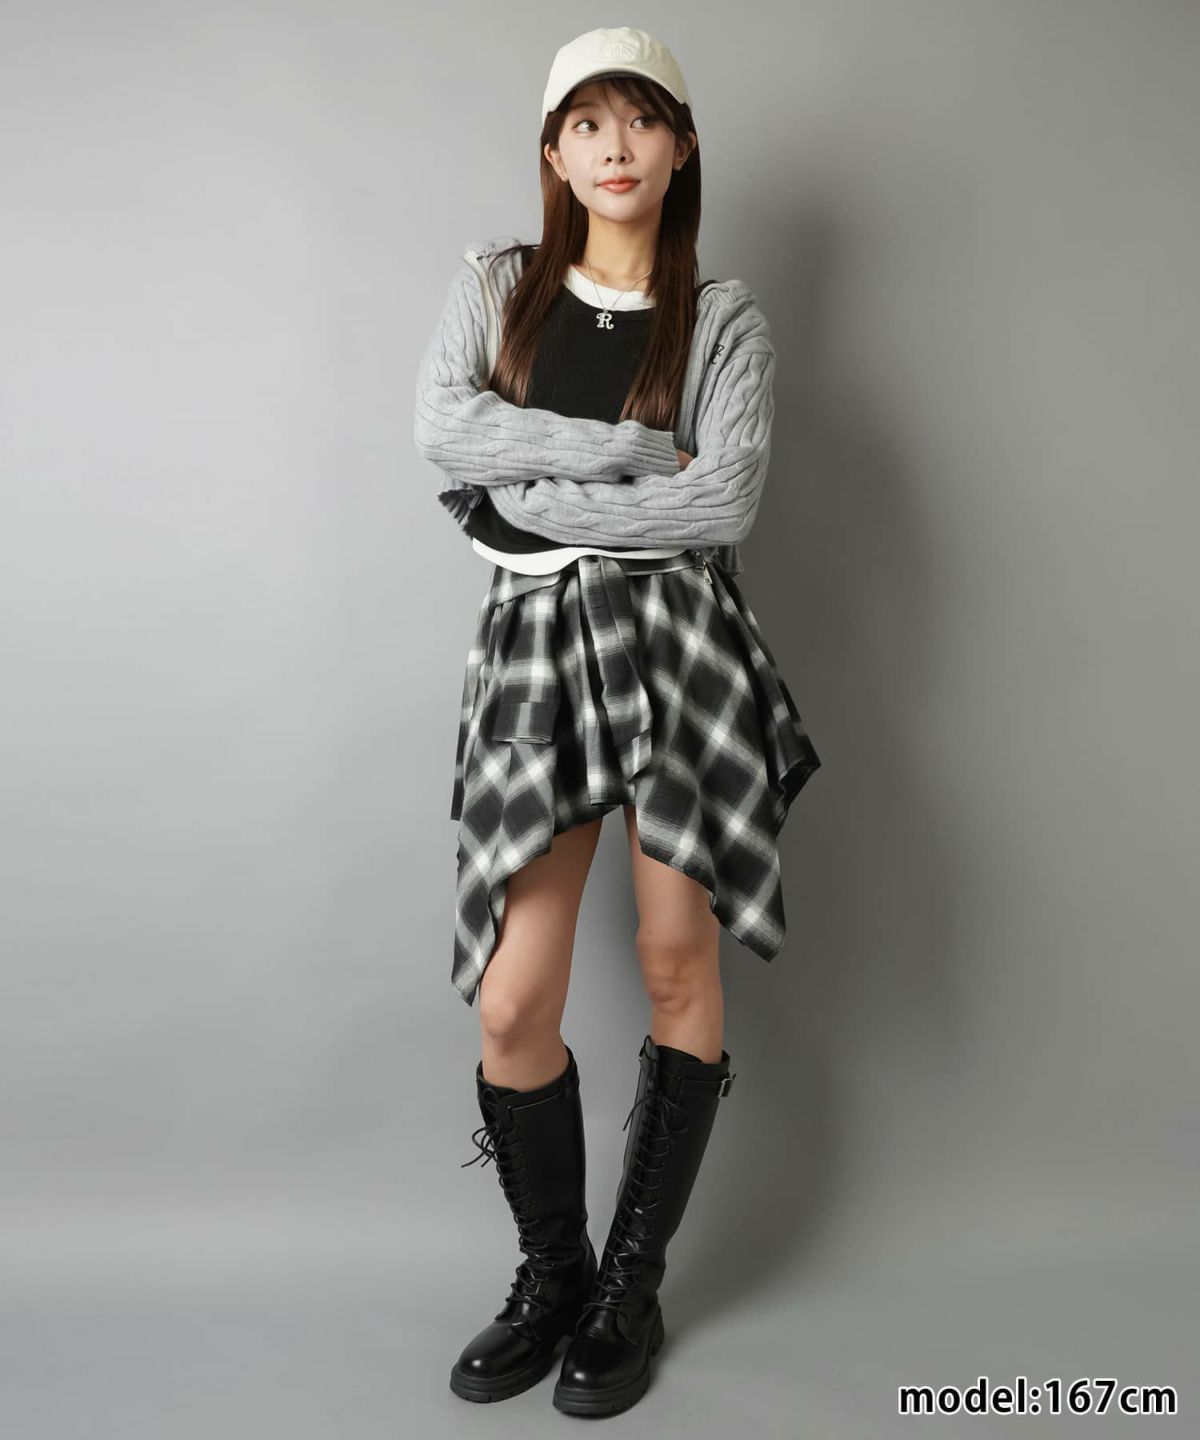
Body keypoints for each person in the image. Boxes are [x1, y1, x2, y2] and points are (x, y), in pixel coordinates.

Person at [413, 26, 822, 1418]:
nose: (614, 147)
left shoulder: (723, 318)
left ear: (681, 144)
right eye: (585, 123)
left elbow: (724, 501)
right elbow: (447, 435)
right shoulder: (497, 286)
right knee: (513, 998)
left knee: (670, 955)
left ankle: (626, 1290)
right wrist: (631, 455)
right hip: (536, 653)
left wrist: (540, 499)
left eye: (640, 119)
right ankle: (554, 1275)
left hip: (680, 646)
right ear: (553, 151)